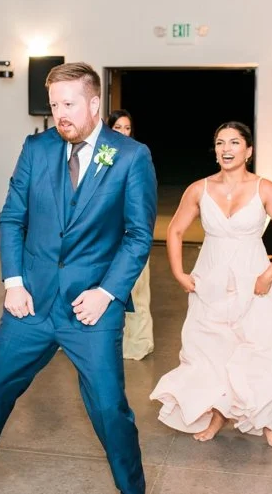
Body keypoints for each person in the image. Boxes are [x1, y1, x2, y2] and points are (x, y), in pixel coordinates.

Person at [0, 63, 155, 494]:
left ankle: (133, 490)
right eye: (55, 105)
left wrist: (107, 293)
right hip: (31, 301)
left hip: (90, 308)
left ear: (94, 104)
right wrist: (13, 282)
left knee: (110, 408)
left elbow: (138, 235)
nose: (61, 114)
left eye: (69, 104)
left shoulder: (130, 155)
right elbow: (13, 217)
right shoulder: (36, 149)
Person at [152, 122, 272, 451]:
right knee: (210, 352)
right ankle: (218, 416)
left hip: (254, 280)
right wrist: (179, 272)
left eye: (234, 142)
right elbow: (174, 231)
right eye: (220, 142)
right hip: (210, 280)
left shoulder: (265, 188)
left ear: (248, 150)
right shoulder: (199, 189)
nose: (226, 148)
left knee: (263, 352)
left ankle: (267, 423)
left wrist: (269, 274)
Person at [107, 110, 154, 360]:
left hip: (131, 229)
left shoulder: (138, 154)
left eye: (127, 128)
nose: (123, 133)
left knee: (135, 288)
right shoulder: (101, 155)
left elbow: (145, 196)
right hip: (105, 230)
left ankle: (137, 342)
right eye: (118, 128)